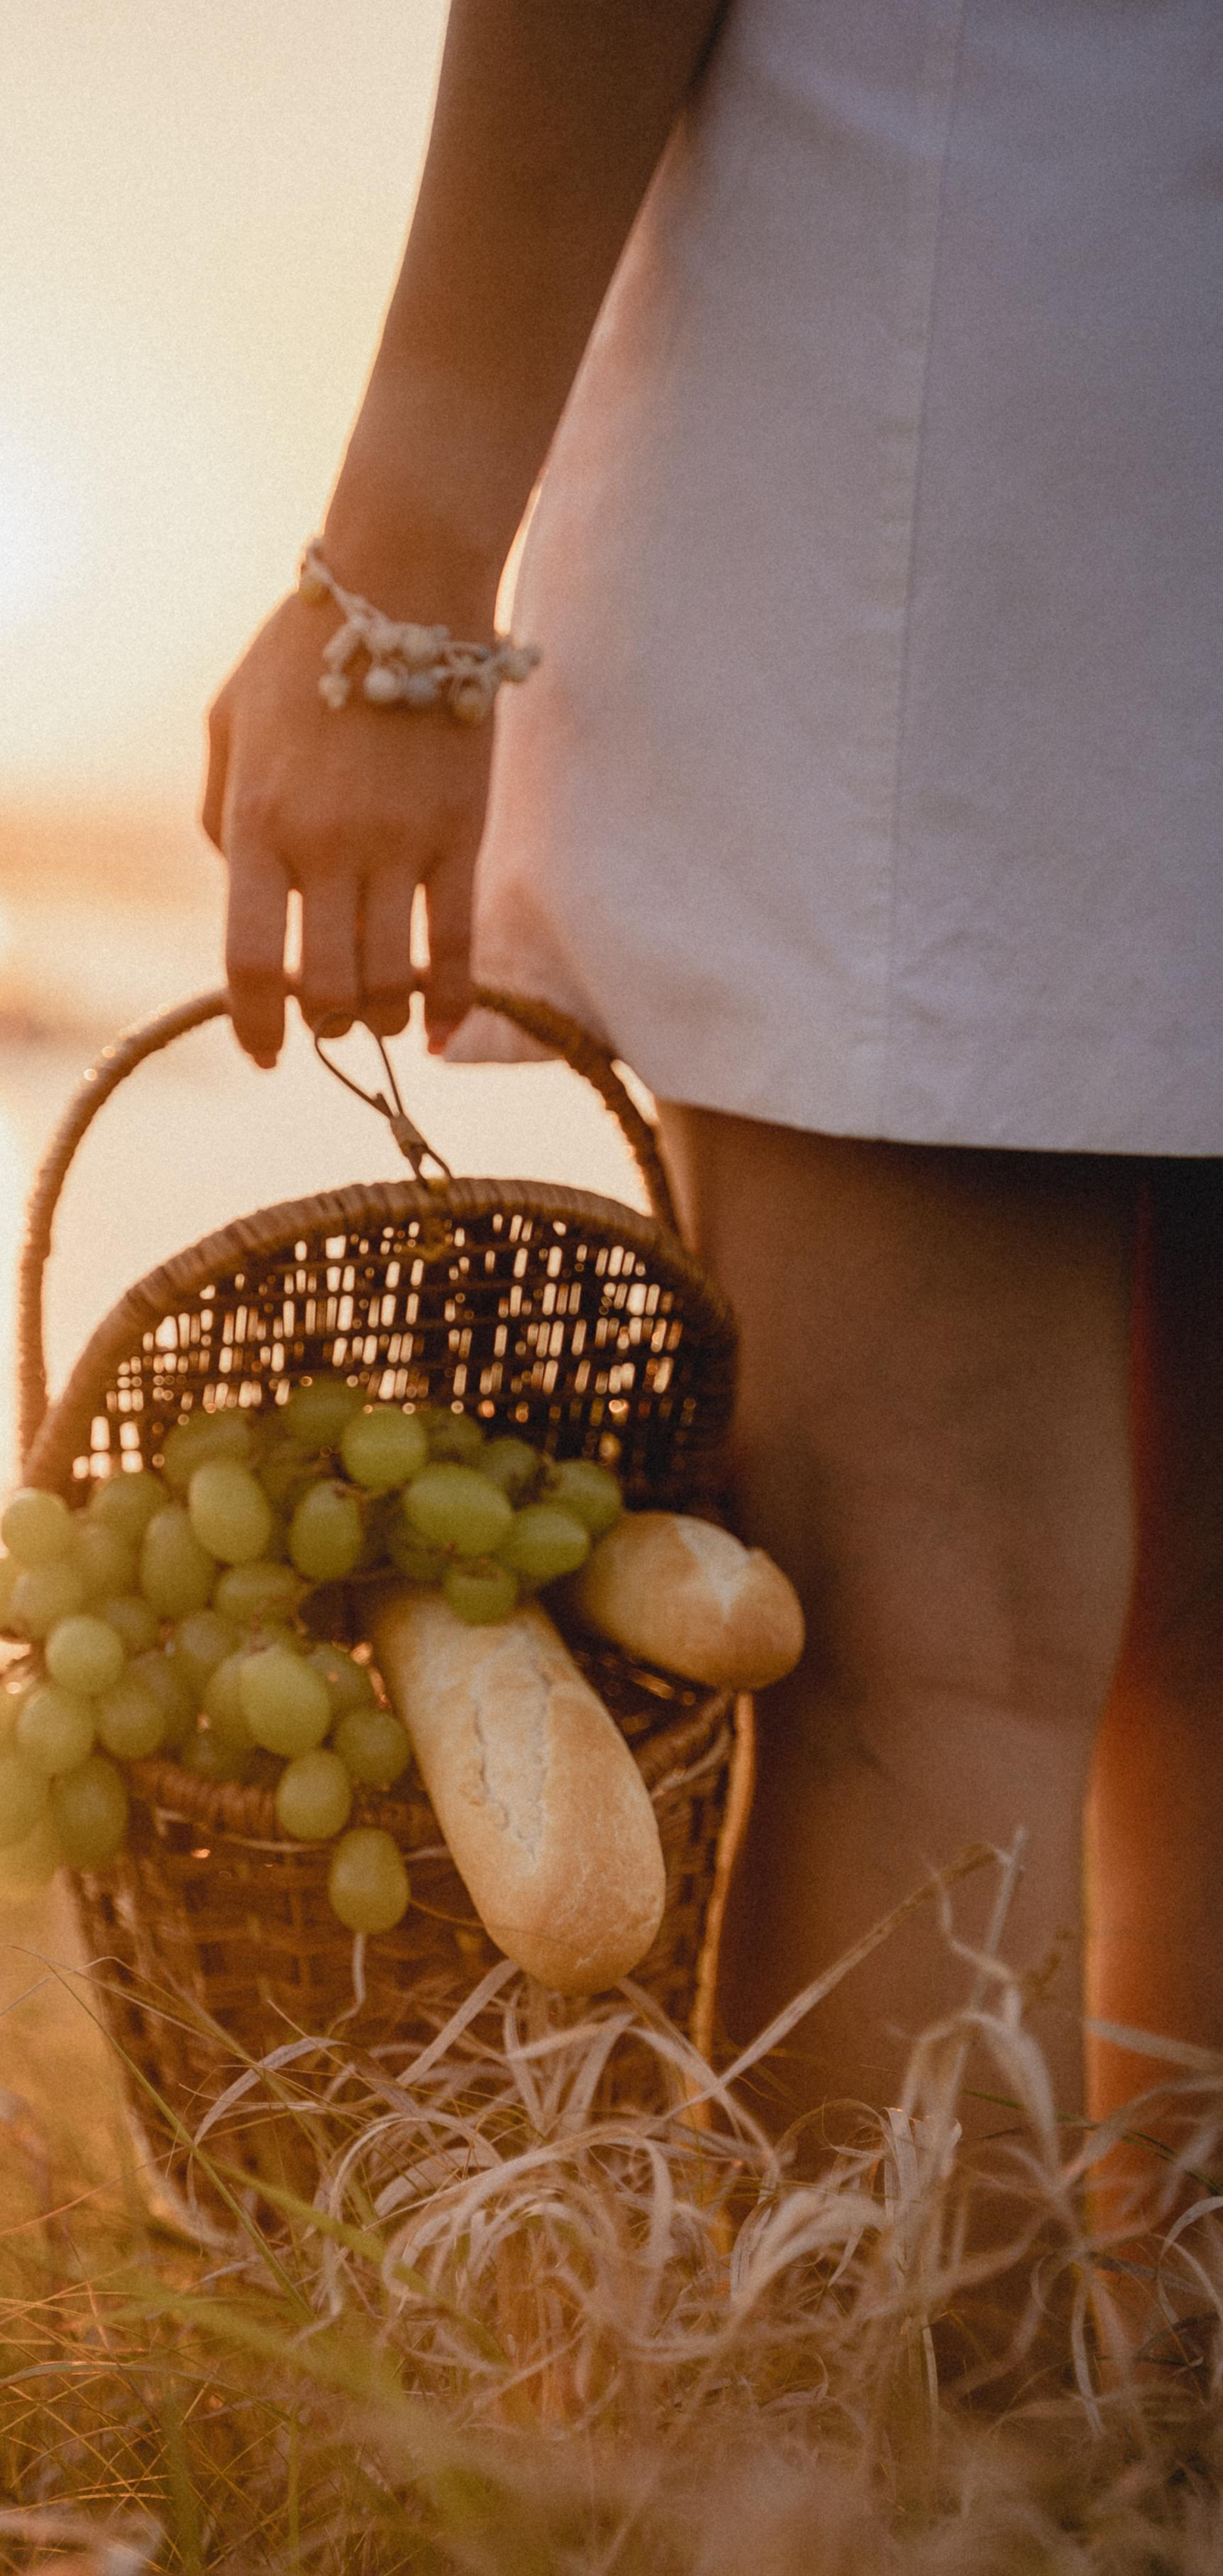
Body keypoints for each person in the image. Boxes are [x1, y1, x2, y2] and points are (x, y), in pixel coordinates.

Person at [201, 0, 1223, 2185]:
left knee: (929, 1653)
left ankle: (902, 2522)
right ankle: (1142, 2493)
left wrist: (397, 582)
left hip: (984, 416)